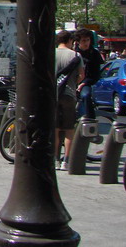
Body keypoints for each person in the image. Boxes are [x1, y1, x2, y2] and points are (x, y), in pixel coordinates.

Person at [55, 30, 84, 171]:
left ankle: (55, 160)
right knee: (69, 129)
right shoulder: (75, 55)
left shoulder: (51, 53)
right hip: (69, 94)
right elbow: (81, 75)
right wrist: (74, 83)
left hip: (53, 95)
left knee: (55, 129)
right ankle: (66, 160)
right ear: (70, 41)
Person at [74, 28, 103, 119]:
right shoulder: (73, 53)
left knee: (86, 95)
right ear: (78, 41)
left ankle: (90, 120)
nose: (86, 43)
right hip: (71, 82)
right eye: (83, 40)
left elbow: (96, 74)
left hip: (86, 82)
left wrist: (84, 83)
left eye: (88, 40)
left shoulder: (94, 53)